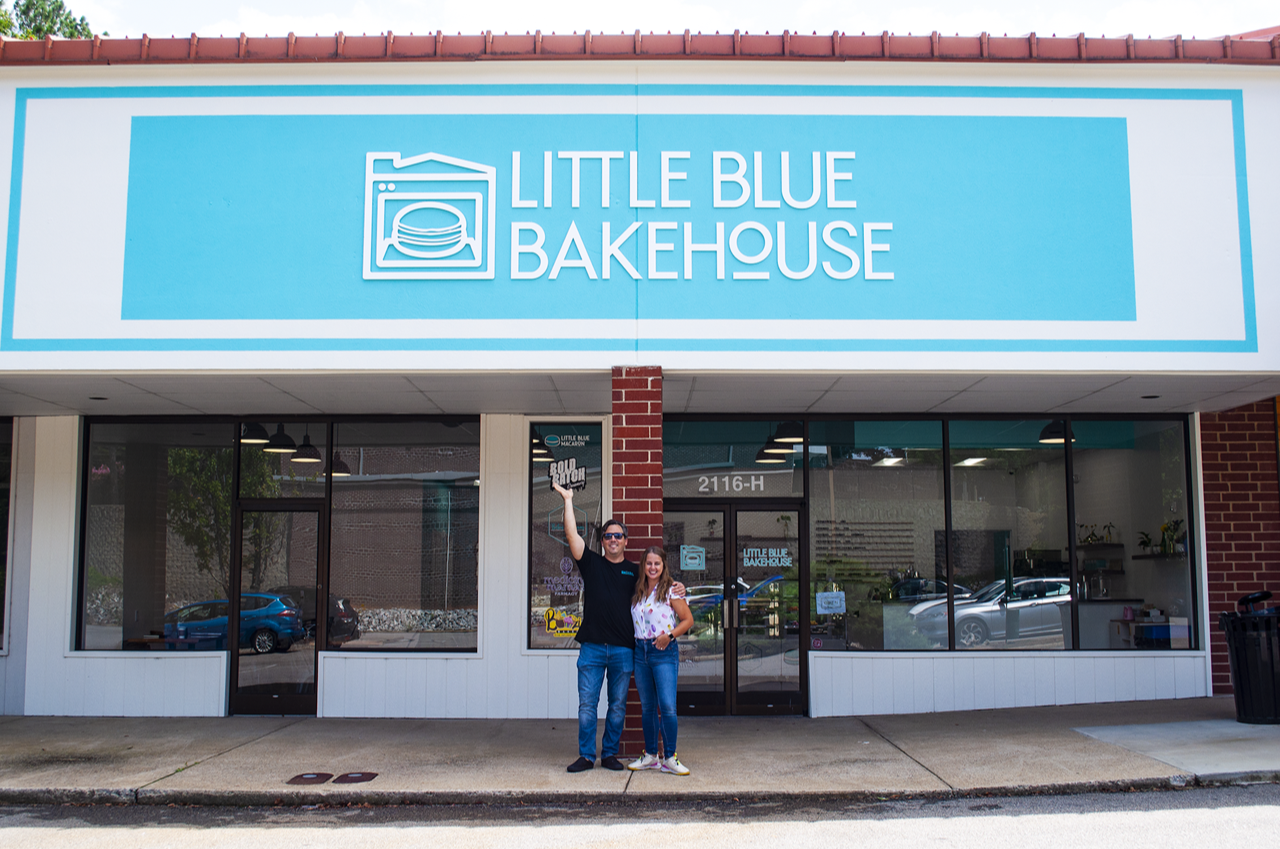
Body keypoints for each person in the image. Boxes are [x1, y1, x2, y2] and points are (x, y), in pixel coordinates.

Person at [552, 480, 682, 773]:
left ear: (626, 540)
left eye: (618, 536)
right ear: (602, 541)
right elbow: (571, 534)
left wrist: (679, 586)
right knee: (587, 707)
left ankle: (609, 753)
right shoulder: (591, 563)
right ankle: (587, 756)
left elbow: (659, 579)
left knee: (617, 707)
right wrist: (568, 501)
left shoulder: (635, 573)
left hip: (624, 649)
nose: (613, 539)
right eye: (608, 535)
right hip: (593, 647)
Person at [628, 546, 694, 776]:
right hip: (640, 651)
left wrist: (670, 636)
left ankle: (670, 758)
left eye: (657, 563)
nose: (652, 567)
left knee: (667, 706)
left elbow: (688, 620)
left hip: (663, 650)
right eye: (648, 563)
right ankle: (651, 756)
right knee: (647, 707)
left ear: (663, 566)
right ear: (643, 566)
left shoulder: (670, 591)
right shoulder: (638, 590)